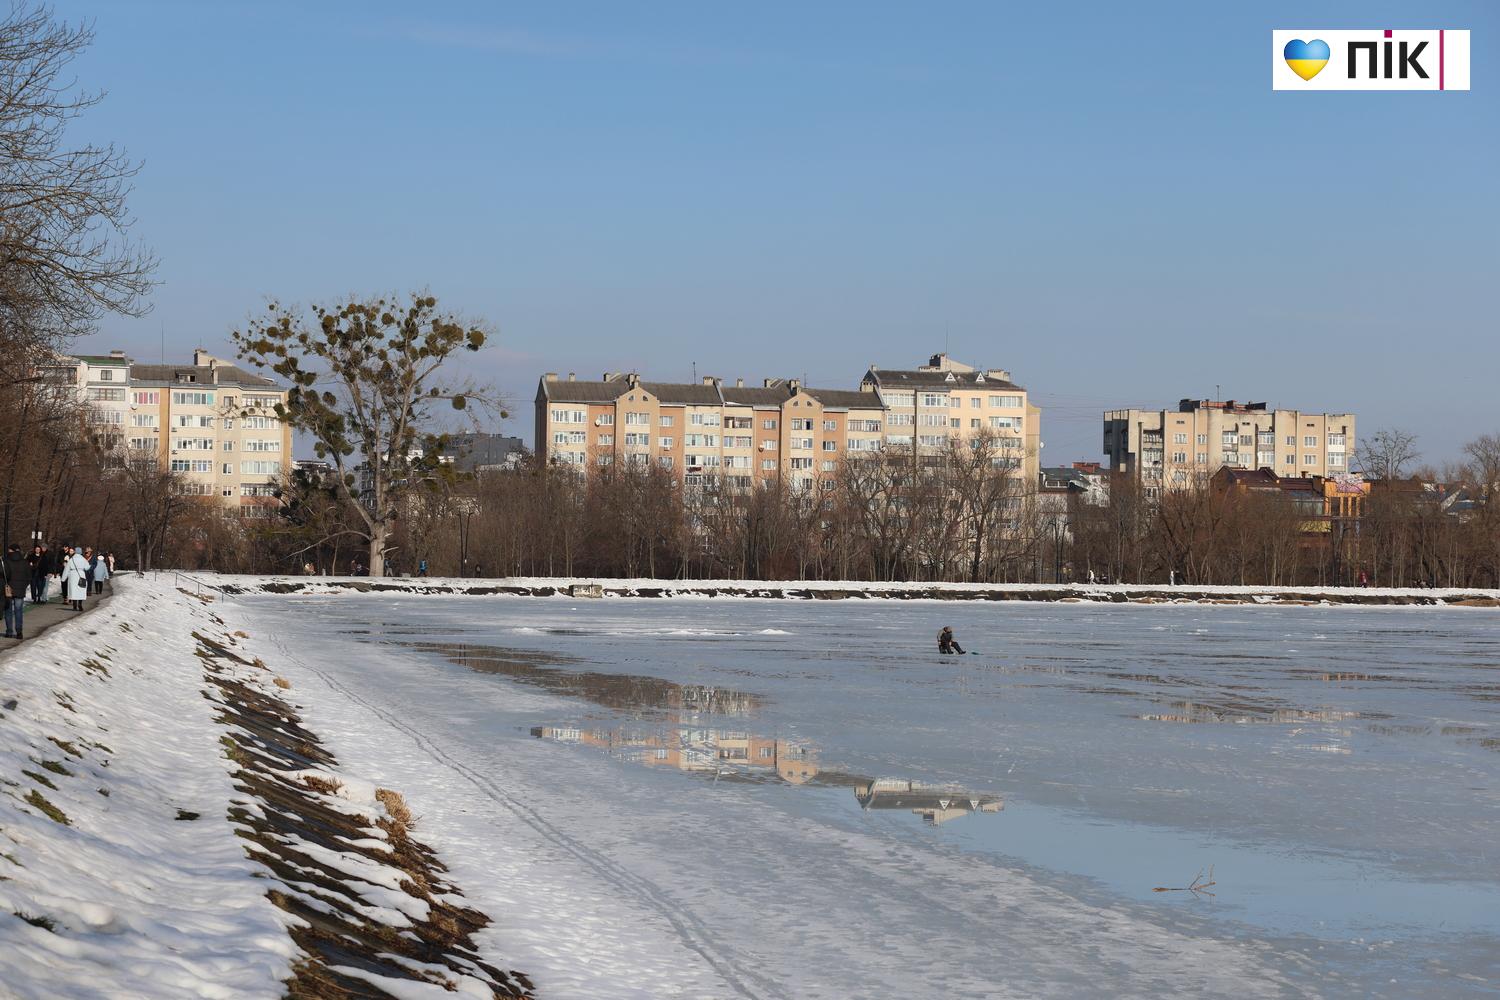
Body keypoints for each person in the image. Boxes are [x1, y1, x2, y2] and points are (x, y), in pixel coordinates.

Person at [3, 543, 29, 640]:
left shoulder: (6, 561)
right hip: (20, 589)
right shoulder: (25, 562)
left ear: (11, 550)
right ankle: (19, 632)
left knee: (8, 611)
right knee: (19, 611)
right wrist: (24, 585)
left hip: (8, 589)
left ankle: (9, 631)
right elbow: (28, 576)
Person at [61, 545, 90, 611]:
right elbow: (87, 567)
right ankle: (80, 604)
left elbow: (66, 569)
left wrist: (63, 579)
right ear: (80, 552)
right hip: (81, 575)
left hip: (73, 576)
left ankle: (74, 606)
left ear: (75, 552)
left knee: (73, 590)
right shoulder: (83, 559)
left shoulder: (71, 560)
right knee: (81, 590)